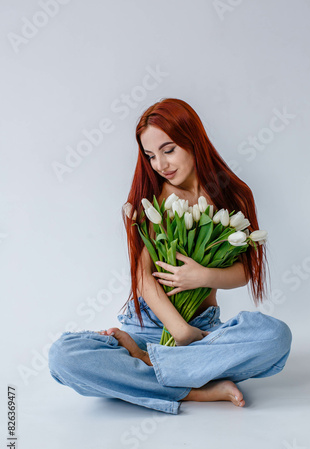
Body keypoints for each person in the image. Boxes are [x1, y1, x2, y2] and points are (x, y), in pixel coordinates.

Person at [48, 98, 292, 415]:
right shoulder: (149, 201)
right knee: (63, 357)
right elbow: (143, 278)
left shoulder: (232, 194)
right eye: (150, 155)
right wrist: (179, 331)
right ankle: (195, 389)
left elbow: (246, 271)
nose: (160, 165)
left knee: (275, 337)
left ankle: (150, 365)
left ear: (193, 141)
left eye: (168, 149)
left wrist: (203, 277)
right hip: (147, 328)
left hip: (203, 332)